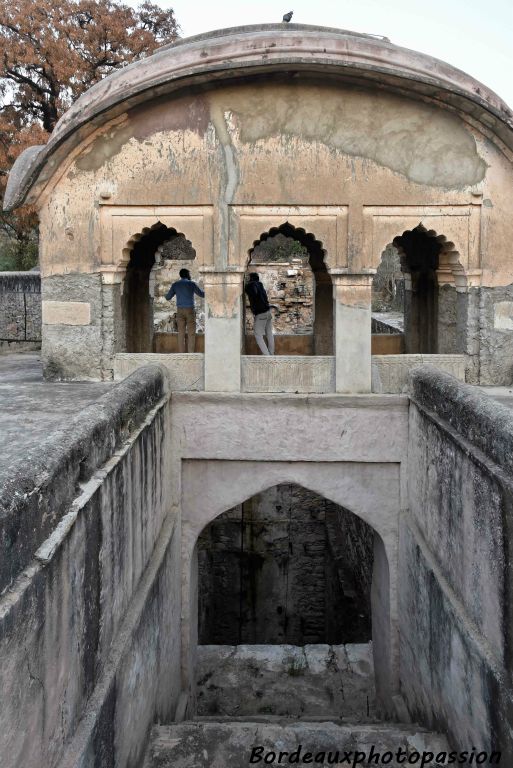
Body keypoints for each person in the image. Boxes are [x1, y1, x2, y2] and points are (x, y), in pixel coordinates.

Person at [166, 268, 205, 352]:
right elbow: (202, 294)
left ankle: (182, 354)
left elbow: (168, 297)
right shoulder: (191, 284)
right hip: (190, 310)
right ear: (187, 275)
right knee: (191, 333)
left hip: (180, 310)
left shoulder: (175, 285)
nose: (190, 275)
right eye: (189, 274)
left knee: (181, 333)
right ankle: (190, 354)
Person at [245, 272, 275, 355]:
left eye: (248, 278)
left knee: (258, 336)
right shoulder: (260, 284)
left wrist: (246, 286)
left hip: (261, 314)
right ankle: (271, 353)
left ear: (251, 278)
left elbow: (254, 293)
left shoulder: (251, 285)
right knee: (269, 333)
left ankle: (267, 356)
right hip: (268, 312)